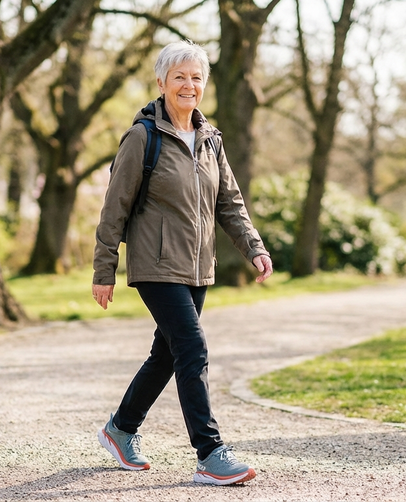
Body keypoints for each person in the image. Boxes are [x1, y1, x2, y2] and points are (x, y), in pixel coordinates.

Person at [91, 40, 273, 486]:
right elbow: (114, 208)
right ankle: (210, 453)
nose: (188, 85)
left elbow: (229, 201)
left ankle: (121, 428)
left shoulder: (211, 140)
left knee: (167, 354)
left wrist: (254, 246)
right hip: (156, 265)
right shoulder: (143, 138)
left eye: (196, 78)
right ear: (161, 82)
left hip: (198, 267)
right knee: (192, 348)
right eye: (180, 77)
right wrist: (104, 269)